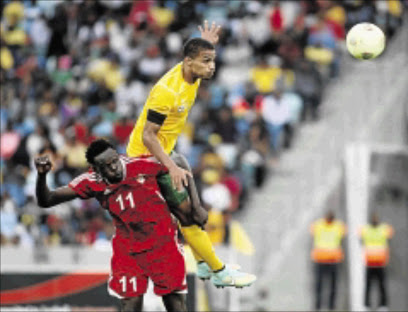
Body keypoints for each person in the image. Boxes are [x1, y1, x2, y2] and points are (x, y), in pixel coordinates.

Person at [126, 20, 256, 288]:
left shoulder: (191, 73)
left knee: (196, 214)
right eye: (206, 61)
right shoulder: (167, 92)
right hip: (145, 162)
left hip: (167, 155)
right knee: (187, 216)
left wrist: (206, 42)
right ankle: (219, 271)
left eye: (213, 60)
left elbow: (195, 52)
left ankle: (202, 265)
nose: (212, 66)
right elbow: (147, 136)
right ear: (188, 62)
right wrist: (170, 168)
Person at [35, 139, 188, 312]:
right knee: (130, 305)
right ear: (97, 170)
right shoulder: (91, 182)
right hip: (128, 249)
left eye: (115, 160)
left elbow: (179, 160)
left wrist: (195, 206)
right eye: (107, 166)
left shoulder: (142, 164)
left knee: (176, 305)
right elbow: (46, 200)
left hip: (162, 243)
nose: (115, 167)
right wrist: (41, 176)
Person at [310, 209, 346, 311]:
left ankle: (331, 306)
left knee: (332, 285)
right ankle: (318, 305)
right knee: (319, 284)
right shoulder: (319, 225)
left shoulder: (338, 226)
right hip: (321, 259)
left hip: (333, 260)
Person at [360, 212, 394, 311]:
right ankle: (366, 305)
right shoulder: (366, 230)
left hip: (381, 263)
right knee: (368, 286)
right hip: (369, 263)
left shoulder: (384, 229)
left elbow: (389, 239)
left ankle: (383, 305)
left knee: (382, 286)